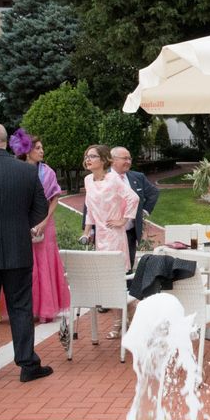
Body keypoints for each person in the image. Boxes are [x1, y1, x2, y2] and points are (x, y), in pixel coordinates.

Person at [0, 123, 53, 382]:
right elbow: (40, 211)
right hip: (18, 249)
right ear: (6, 142)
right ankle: (27, 364)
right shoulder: (26, 172)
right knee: (20, 307)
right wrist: (20, 225)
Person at [7, 129, 71, 321]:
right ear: (27, 151)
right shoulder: (15, 170)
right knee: (26, 266)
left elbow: (55, 199)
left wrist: (44, 222)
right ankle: (28, 309)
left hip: (45, 224)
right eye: (38, 148)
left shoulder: (48, 172)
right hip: (21, 224)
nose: (42, 151)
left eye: (42, 147)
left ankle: (46, 310)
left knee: (44, 264)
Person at [81, 144, 139, 339]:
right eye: (87, 156)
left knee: (117, 281)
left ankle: (129, 317)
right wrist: (87, 231)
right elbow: (89, 208)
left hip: (115, 236)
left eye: (93, 156)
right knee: (109, 283)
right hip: (100, 239)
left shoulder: (113, 179)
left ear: (104, 160)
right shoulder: (88, 180)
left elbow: (133, 198)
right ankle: (125, 318)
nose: (88, 159)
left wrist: (124, 220)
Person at [109, 146, 160, 269]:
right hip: (109, 232)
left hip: (130, 232)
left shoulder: (137, 177)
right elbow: (90, 203)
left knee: (128, 265)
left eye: (129, 159)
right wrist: (89, 229)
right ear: (112, 160)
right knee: (110, 266)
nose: (128, 162)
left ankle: (127, 288)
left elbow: (153, 192)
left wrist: (142, 212)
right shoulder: (103, 177)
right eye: (124, 158)